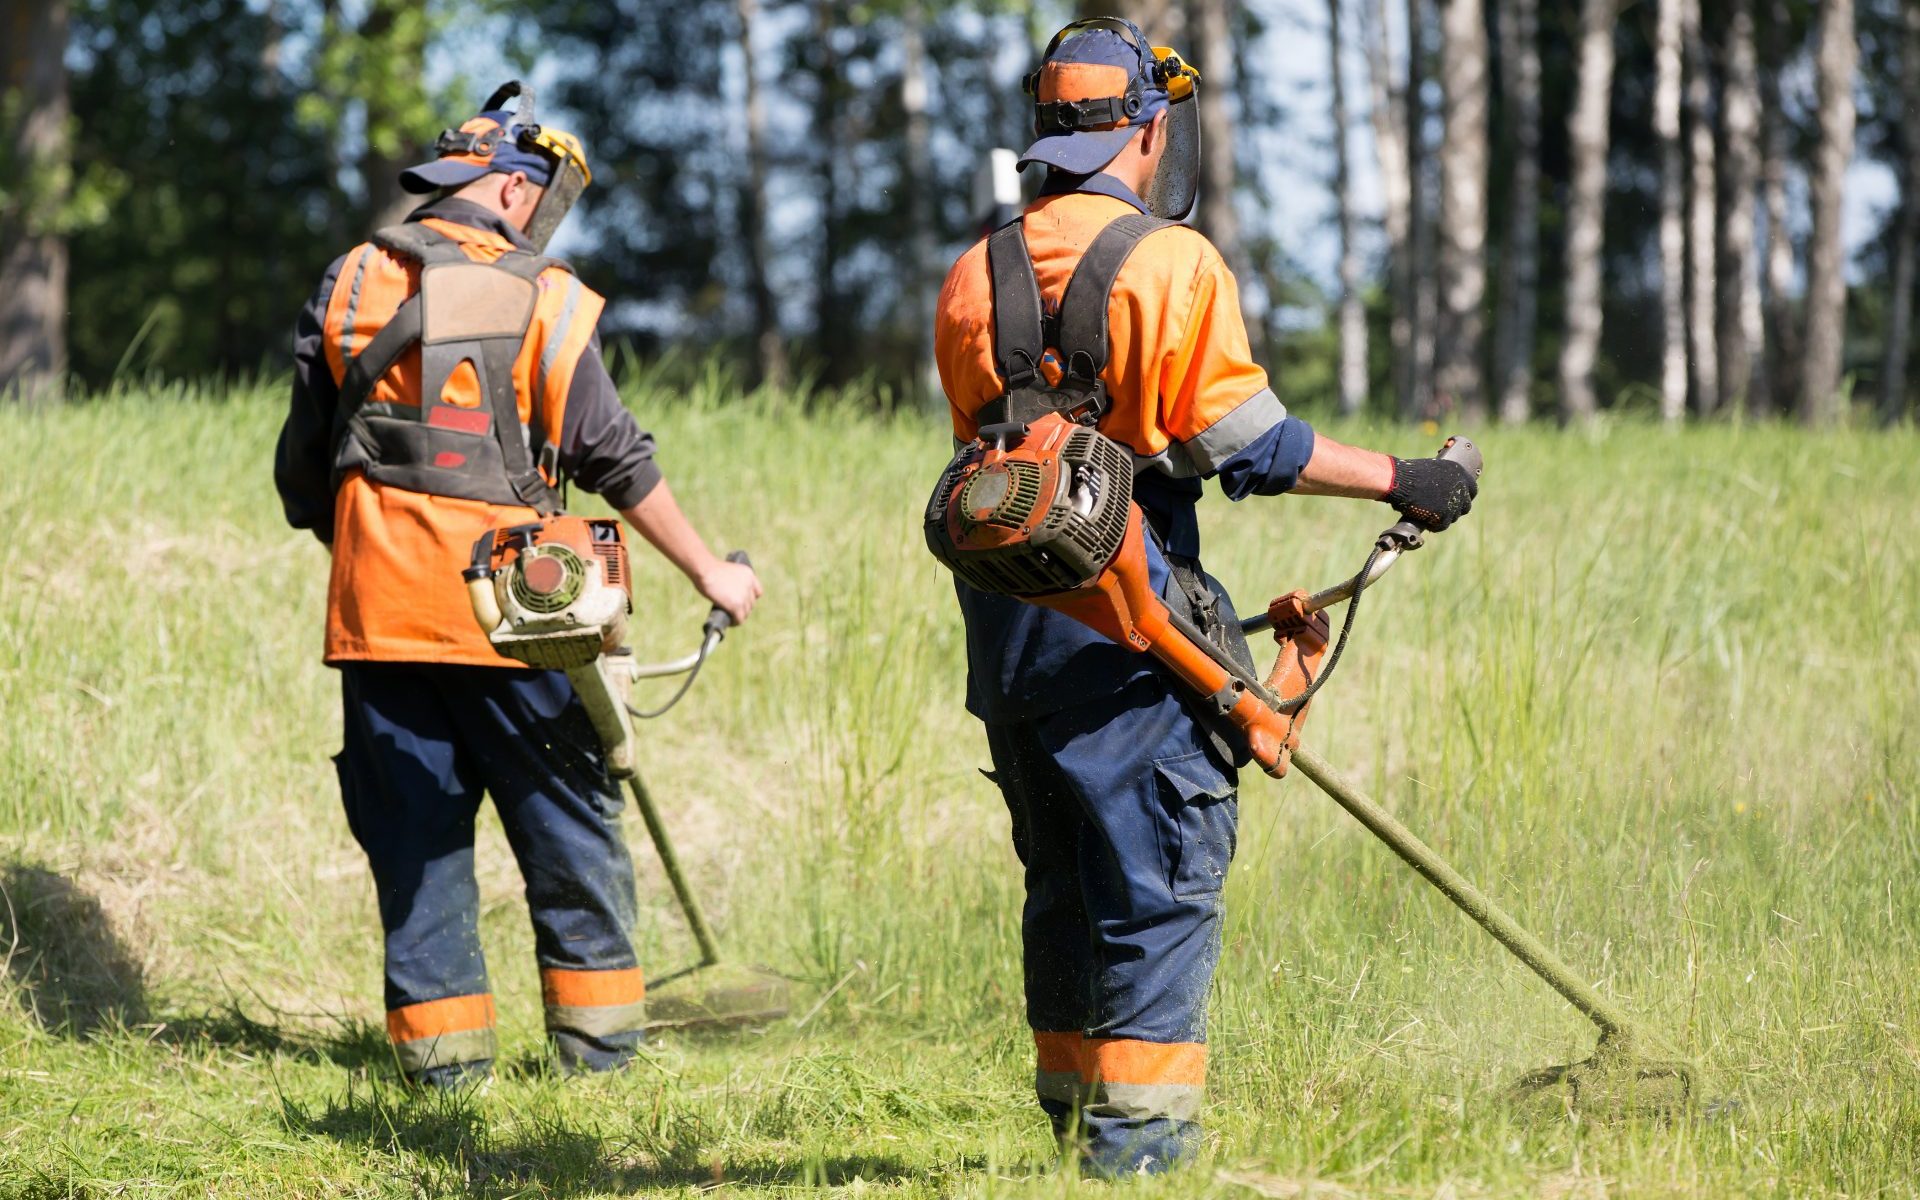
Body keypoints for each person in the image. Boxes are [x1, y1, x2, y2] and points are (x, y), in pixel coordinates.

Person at [933, 19, 1477, 1178]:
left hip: (1014, 645)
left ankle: (1074, 1140)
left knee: (1066, 890)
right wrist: (1408, 480)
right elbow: (1254, 447)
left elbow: (1017, 464)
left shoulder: (972, 274)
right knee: (1157, 892)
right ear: (1144, 132)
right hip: (1132, 646)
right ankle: (1136, 1161)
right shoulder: (1171, 264)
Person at [274, 85, 762, 1088]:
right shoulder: (548, 297)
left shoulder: (351, 280)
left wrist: (379, 548)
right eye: (539, 200)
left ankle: (444, 1084)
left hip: (379, 622)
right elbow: (615, 458)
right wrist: (715, 571)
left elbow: (301, 476)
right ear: (506, 186)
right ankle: (599, 1071)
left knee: (416, 850)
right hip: (522, 621)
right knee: (572, 835)